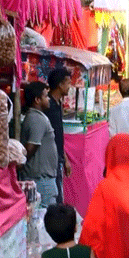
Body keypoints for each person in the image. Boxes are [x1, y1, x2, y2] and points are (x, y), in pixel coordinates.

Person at [20, 81, 58, 207]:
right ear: (37, 99)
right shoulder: (36, 119)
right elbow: (30, 147)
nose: (48, 99)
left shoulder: (38, 117)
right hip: (40, 180)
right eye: (46, 96)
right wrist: (20, 165)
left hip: (42, 179)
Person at [46, 68, 72, 203]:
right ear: (60, 84)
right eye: (68, 83)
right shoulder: (48, 105)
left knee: (58, 191)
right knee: (54, 195)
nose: (70, 86)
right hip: (49, 159)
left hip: (58, 158)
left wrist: (65, 158)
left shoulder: (58, 104)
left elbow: (59, 134)